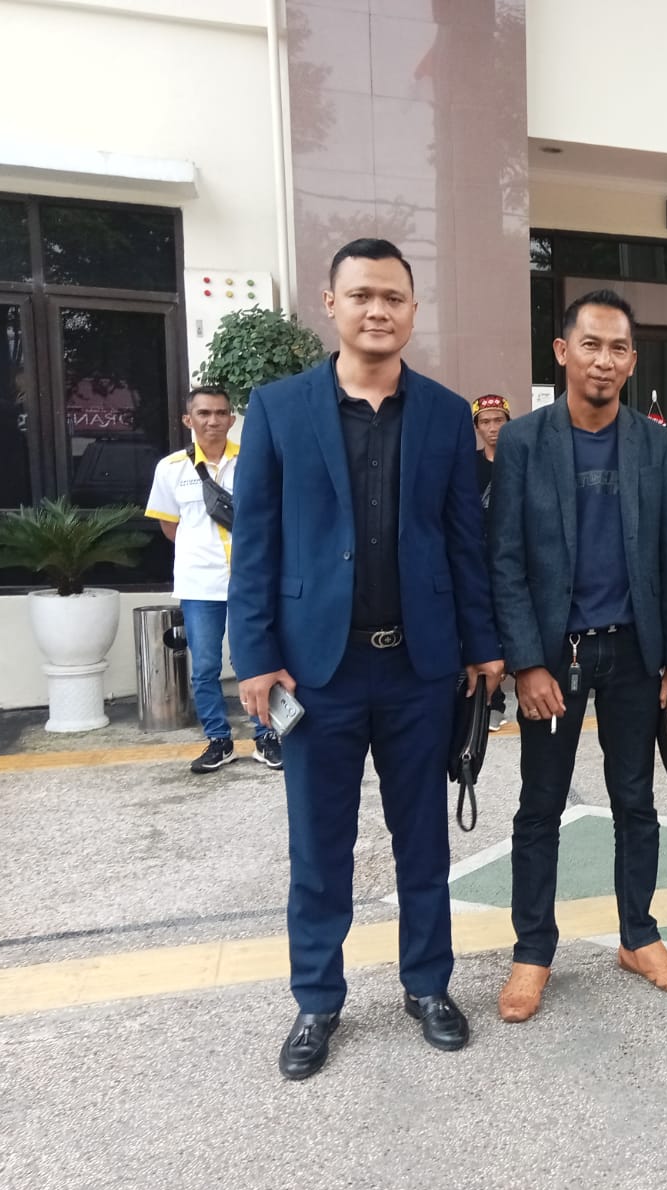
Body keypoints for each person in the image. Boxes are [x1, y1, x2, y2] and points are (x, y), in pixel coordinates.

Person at [229, 238, 505, 1079]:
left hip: (420, 669)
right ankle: (317, 1000)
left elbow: (463, 539)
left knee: (422, 840)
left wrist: (482, 648)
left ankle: (428, 986)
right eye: (361, 295)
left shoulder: (446, 414)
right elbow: (256, 543)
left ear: (413, 310)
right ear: (332, 304)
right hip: (317, 674)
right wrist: (255, 656)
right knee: (320, 848)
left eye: (392, 296)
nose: (377, 310)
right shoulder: (278, 408)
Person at [489, 289, 667, 1022]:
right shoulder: (523, 442)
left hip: (633, 655)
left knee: (635, 800)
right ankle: (532, 952)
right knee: (540, 805)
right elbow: (505, 559)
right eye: (590, 345)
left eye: (618, 349)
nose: (604, 361)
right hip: (556, 659)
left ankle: (638, 936)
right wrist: (526, 664)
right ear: (562, 351)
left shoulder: (655, 446)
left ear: (632, 361)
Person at [145, 386, 282, 773]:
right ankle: (218, 740)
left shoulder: (253, 461)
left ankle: (266, 737)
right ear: (188, 419)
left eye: (221, 413)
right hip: (200, 584)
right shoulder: (171, 469)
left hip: (249, 582)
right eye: (203, 413)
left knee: (255, 660)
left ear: (232, 419)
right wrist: (201, 552)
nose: (213, 420)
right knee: (205, 666)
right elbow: (169, 526)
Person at [472, 393, 511, 730]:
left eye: (499, 420)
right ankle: (490, 700)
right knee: (483, 627)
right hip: (478, 560)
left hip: (513, 559)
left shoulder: (521, 460)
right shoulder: (468, 464)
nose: (493, 427)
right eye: (485, 421)